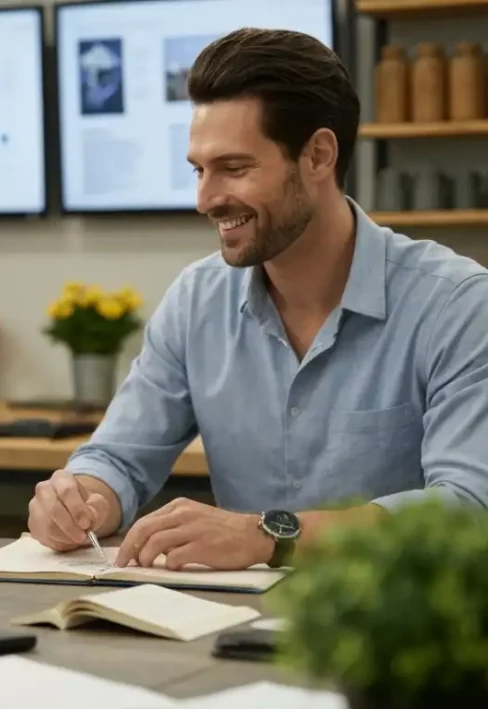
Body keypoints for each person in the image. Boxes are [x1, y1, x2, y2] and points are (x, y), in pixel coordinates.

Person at [28, 28, 488, 570]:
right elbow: (117, 457)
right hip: (229, 631)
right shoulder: (197, 301)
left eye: (234, 168)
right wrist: (83, 496)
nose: (205, 200)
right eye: (199, 170)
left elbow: (466, 508)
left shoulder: (457, 305)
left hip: (396, 637)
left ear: (318, 156)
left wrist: (270, 535)